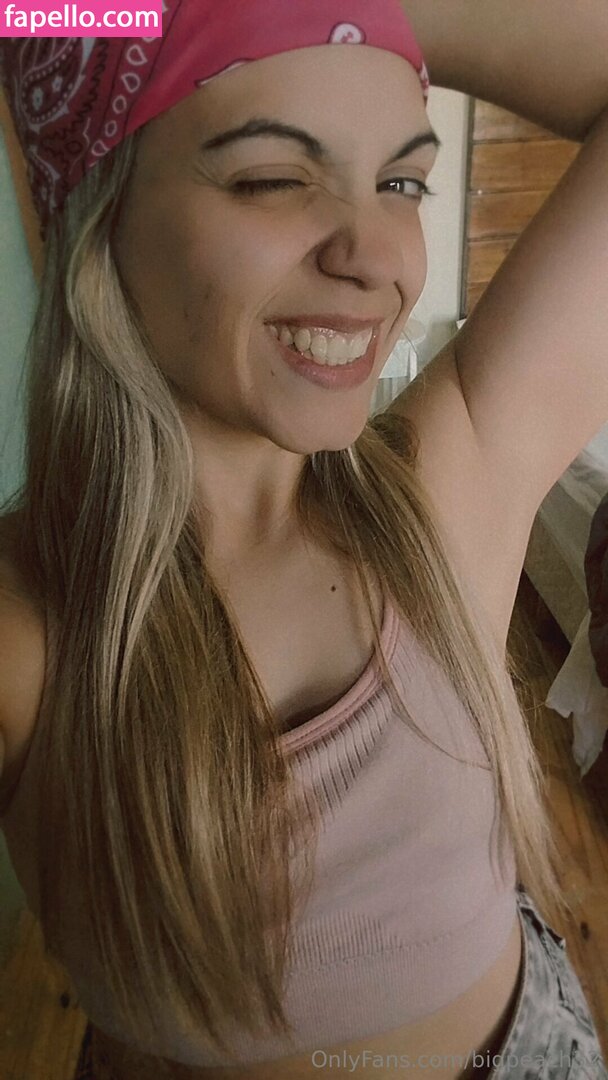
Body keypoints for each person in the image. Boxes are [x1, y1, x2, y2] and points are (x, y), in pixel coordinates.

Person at [0, 2, 607, 1078]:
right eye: (275, 178)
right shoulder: (29, 630)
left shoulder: (450, 488)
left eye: (401, 182)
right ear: (101, 215)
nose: (376, 255)